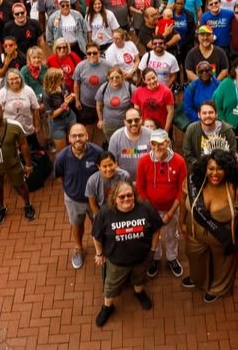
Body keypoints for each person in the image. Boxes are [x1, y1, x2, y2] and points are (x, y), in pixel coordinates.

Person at [91, 180, 162, 327]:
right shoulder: (105, 213)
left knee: (140, 278)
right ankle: (107, 307)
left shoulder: (146, 208)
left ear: (134, 195)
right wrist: (99, 254)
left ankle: (139, 293)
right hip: (117, 262)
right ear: (114, 198)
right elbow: (96, 236)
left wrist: (153, 250)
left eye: (129, 195)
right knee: (110, 286)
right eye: (121, 197)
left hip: (141, 258)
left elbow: (156, 229)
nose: (126, 199)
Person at [180, 149, 238, 301]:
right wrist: (181, 222)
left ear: (227, 169)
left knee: (222, 265)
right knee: (194, 256)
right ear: (205, 168)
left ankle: (218, 288)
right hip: (194, 234)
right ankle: (197, 279)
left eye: (220, 168)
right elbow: (183, 201)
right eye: (211, 168)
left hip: (221, 239)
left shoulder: (235, 188)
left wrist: (236, 238)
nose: (215, 173)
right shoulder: (193, 181)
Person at [136, 130, 187, 279]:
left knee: (172, 234)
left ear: (168, 143)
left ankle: (172, 258)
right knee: (153, 235)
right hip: (151, 210)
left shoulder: (179, 161)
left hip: (171, 208)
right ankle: (156, 258)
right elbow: (140, 187)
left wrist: (170, 213)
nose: (157, 147)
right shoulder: (144, 161)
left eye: (161, 143)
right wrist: (151, 212)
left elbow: (181, 190)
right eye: (153, 144)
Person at [56, 124, 102, 270]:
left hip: (95, 199)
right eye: (74, 136)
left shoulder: (97, 152)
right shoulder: (62, 157)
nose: (78, 139)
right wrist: (71, 190)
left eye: (81, 135)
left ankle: (101, 249)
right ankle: (78, 247)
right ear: (69, 138)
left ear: (87, 136)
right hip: (74, 200)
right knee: (77, 225)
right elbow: (60, 176)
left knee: (99, 224)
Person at [0, 69, 41, 149]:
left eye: (16, 78)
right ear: (7, 81)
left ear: (21, 78)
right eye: (11, 79)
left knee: (34, 154)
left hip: (28, 130)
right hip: (10, 132)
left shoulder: (28, 90)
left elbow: (35, 109)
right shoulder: (2, 93)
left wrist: (37, 125)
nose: (14, 81)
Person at [107, 108, 152, 179]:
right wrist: (125, 179)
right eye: (129, 121)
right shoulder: (115, 138)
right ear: (124, 122)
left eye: (136, 120)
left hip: (147, 179)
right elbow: (111, 162)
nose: (133, 123)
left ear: (141, 119)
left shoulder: (151, 135)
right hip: (123, 181)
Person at [133, 68, 175, 133]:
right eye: (148, 80)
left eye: (153, 78)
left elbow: (170, 112)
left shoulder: (166, 91)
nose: (152, 81)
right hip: (146, 128)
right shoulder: (138, 91)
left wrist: (166, 130)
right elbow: (136, 111)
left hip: (162, 128)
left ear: (157, 76)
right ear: (144, 81)